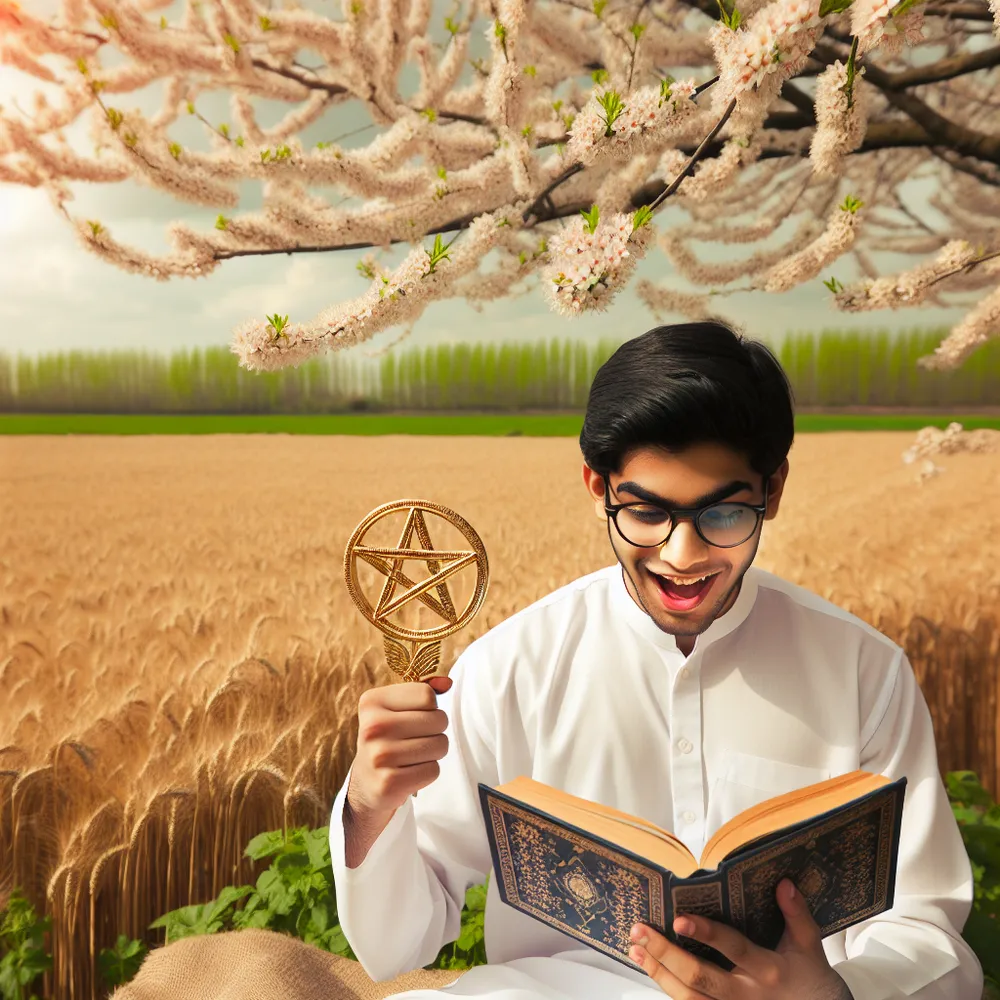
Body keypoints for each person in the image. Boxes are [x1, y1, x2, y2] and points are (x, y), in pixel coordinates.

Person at [329, 321, 984, 1000]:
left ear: (774, 490)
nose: (683, 556)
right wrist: (372, 806)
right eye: (645, 513)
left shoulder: (862, 671)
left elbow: (931, 929)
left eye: (724, 516)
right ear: (597, 488)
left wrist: (838, 995)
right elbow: (394, 948)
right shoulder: (507, 667)